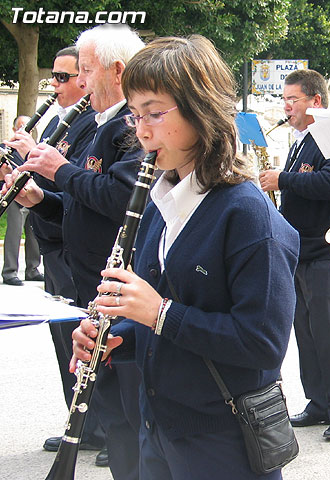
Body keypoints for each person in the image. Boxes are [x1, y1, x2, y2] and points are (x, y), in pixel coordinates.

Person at [70, 34, 299, 480]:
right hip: (160, 426)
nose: (141, 130)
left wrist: (158, 313)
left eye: (155, 113)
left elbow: (263, 343)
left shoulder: (247, 214)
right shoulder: (159, 199)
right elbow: (167, 317)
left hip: (223, 437)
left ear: (202, 109)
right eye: (136, 116)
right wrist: (117, 336)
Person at [5, 24, 145, 479]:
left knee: (128, 411)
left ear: (117, 71)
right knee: (110, 403)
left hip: (119, 285)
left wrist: (60, 170)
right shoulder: (103, 124)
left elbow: (120, 199)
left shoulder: (128, 126)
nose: (80, 83)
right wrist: (39, 199)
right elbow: (86, 201)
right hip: (89, 278)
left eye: (85, 71)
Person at [5, 46, 103, 457]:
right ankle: (78, 421)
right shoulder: (58, 123)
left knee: (85, 338)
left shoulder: (91, 125)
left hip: (74, 243)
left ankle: (101, 426)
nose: (56, 86)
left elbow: (77, 182)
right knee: (63, 338)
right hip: (52, 238)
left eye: (64, 77)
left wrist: (35, 158)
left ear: (85, 77)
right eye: (54, 78)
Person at [259, 69, 330, 440]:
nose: (286, 107)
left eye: (293, 100)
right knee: (306, 331)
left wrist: (282, 179)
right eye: (284, 100)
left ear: (315, 101)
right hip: (302, 252)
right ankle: (320, 402)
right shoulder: (302, 140)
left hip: (326, 254)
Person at [1, 115, 43, 286]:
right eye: (21, 127)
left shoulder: (35, 148)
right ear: (14, 129)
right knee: (14, 233)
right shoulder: (5, 148)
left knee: (33, 234)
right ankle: (10, 272)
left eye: (28, 127)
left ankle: (32, 269)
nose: (26, 129)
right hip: (13, 197)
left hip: (31, 194)